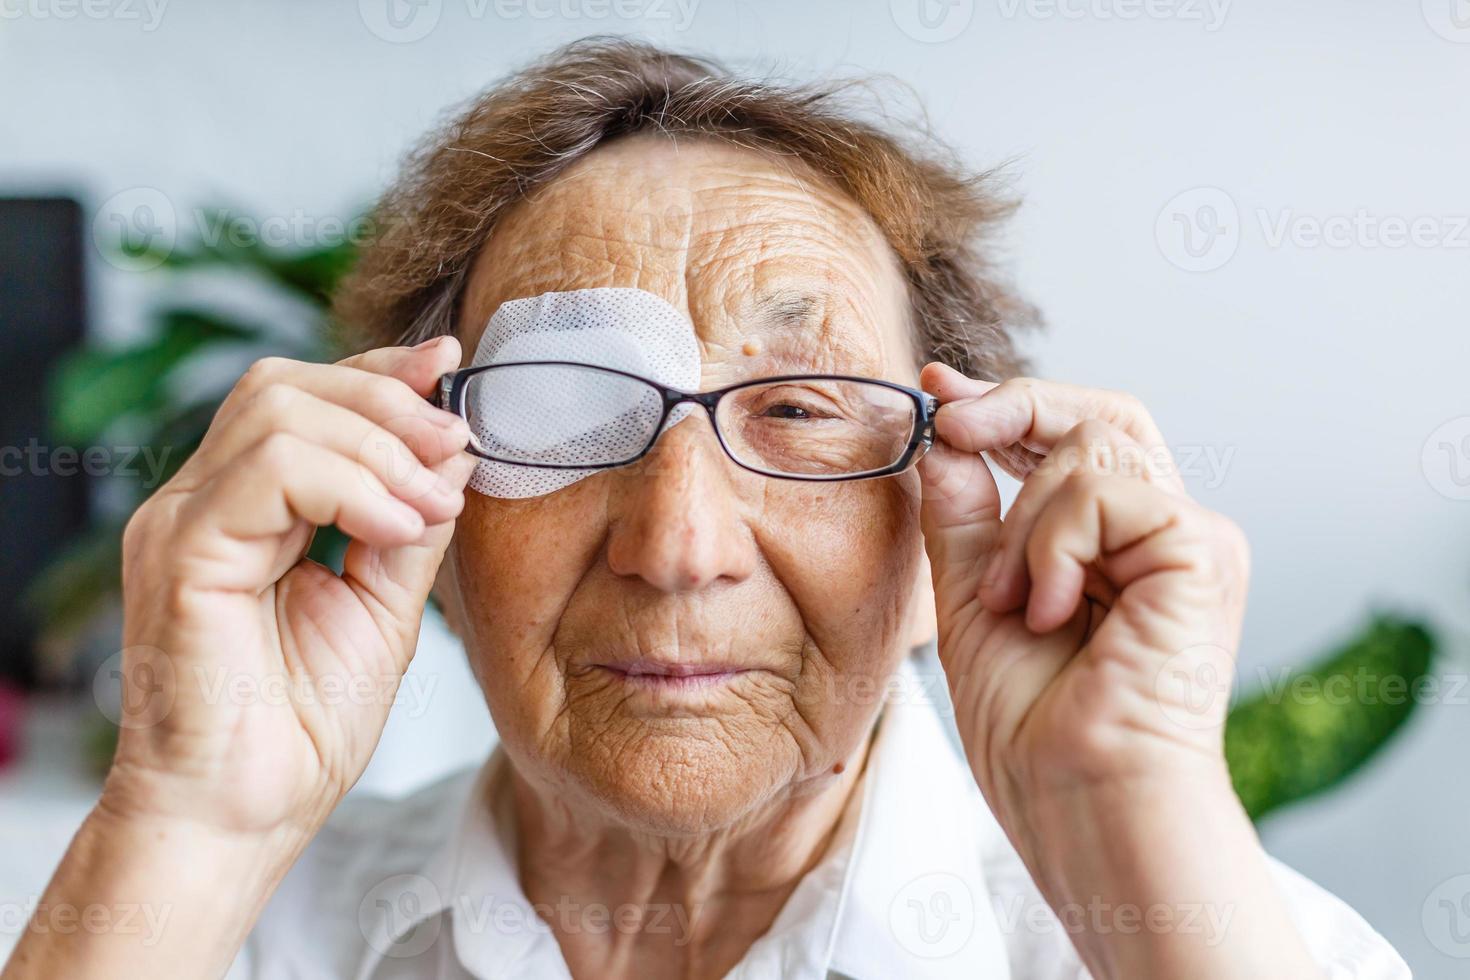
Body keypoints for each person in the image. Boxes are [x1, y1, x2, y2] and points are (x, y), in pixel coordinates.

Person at [4, 39, 1407, 979]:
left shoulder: (1208, 937)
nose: (677, 548)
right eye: (562, 414)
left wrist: (1129, 833)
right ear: (419, 513)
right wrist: (189, 820)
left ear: (948, 525)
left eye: (798, 410)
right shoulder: (218, 929)